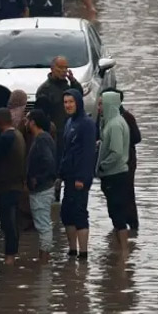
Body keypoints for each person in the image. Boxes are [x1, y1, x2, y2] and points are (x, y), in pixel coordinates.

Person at [0, 108, 26, 264]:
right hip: (16, 186)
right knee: (14, 222)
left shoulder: (6, 138)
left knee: (8, 223)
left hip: (6, 187)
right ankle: (13, 256)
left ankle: (9, 258)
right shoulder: (18, 135)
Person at [60, 89, 97, 259]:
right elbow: (66, 150)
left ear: (78, 103)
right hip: (68, 176)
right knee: (66, 213)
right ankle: (72, 250)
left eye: (71, 102)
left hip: (80, 178)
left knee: (79, 212)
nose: (68, 105)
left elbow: (89, 153)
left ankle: (83, 253)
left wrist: (82, 178)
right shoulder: (69, 123)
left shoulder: (87, 124)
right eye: (66, 102)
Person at [99, 88, 142, 231]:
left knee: (127, 193)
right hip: (112, 163)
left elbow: (137, 137)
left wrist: (121, 141)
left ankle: (131, 226)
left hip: (126, 160)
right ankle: (120, 227)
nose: (100, 106)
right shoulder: (105, 118)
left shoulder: (125, 118)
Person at [97, 91, 131, 252]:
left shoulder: (116, 124)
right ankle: (120, 250)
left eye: (101, 104)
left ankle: (123, 252)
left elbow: (116, 152)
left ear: (109, 104)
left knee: (118, 215)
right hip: (114, 175)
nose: (98, 108)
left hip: (116, 175)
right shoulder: (112, 122)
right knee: (115, 214)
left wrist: (103, 165)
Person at [36, 56, 84, 158]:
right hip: (56, 133)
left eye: (66, 68)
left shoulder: (67, 86)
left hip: (70, 129)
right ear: (52, 68)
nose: (64, 71)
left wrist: (73, 81)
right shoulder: (45, 89)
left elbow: (79, 95)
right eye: (60, 68)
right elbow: (41, 116)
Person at [26, 109, 58, 263]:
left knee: (43, 224)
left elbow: (49, 162)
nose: (26, 123)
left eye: (27, 120)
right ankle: (44, 257)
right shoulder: (44, 138)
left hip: (42, 189)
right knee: (43, 223)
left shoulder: (41, 139)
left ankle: (44, 260)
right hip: (44, 188)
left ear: (33, 122)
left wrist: (37, 179)